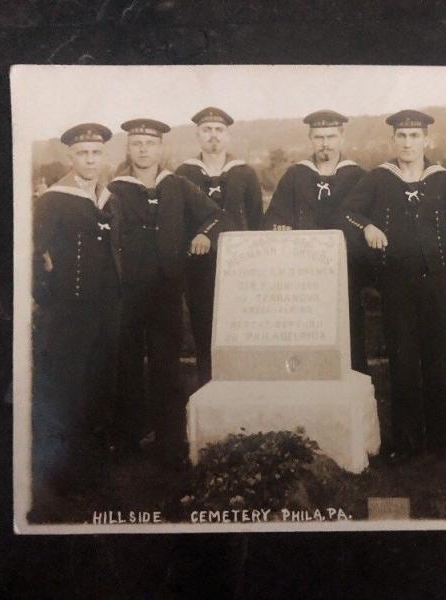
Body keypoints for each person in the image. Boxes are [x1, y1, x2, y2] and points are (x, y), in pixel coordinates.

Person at [341, 110, 446, 464]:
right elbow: (347, 212)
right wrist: (367, 227)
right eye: (402, 137)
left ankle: (441, 441)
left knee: (439, 360)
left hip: (437, 283)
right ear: (393, 140)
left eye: (414, 136)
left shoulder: (443, 181)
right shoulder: (379, 178)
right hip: (397, 284)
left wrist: (441, 255)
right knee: (403, 361)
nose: (408, 143)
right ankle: (406, 443)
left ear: (426, 140)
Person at [104, 118, 223, 468]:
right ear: (129, 148)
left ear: (160, 148)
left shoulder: (178, 185)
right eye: (137, 143)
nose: (144, 150)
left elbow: (216, 216)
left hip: (167, 290)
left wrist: (203, 234)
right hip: (126, 291)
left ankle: (169, 440)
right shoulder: (114, 189)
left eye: (150, 144)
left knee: (166, 365)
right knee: (126, 363)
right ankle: (128, 437)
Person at [33, 122, 120, 494]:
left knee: (100, 385)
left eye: (96, 153)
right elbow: (37, 255)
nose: (90, 159)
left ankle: (97, 469)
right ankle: (66, 477)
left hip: (106, 310)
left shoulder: (110, 198)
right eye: (83, 153)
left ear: (103, 156)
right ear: (71, 156)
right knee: (69, 388)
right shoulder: (53, 200)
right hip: (68, 313)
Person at [263, 110, 371, 373]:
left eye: (331, 137)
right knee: (306, 331)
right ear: (310, 139)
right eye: (319, 137)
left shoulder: (358, 176)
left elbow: (369, 220)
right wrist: (280, 226)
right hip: (304, 274)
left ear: (341, 137)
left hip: (346, 270)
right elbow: (274, 216)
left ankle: (353, 381)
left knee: (349, 328)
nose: (325, 143)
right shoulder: (295, 175)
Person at [176, 106, 263, 386]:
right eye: (207, 130)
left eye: (219, 130)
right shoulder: (184, 173)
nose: (213, 136)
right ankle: (207, 387)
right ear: (198, 135)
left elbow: (257, 220)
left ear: (228, 135)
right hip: (200, 265)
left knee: (241, 328)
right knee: (204, 328)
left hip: (240, 265)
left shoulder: (245, 173)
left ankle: (243, 390)